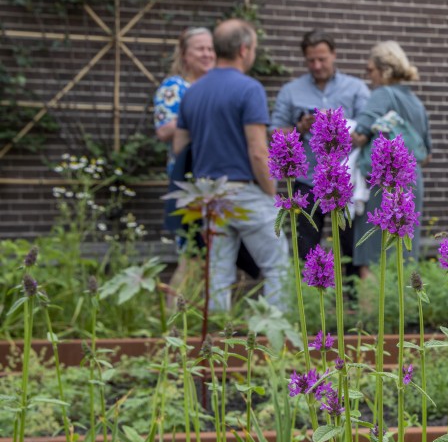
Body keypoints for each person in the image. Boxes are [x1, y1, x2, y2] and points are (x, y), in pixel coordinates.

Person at [174, 19, 287, 313]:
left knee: (219, 273)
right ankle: (277, 339)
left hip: (209, 196)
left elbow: (178, 147)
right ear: (243, 49)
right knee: (277, 267)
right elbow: (258, 151)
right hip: (245, 191)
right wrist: (273, 193)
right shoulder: (249, 89)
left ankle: (217, 341)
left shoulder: (193, 92)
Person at [270, 30, 370, 262]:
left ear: (334, 55)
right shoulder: (291, 91)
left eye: (322, 59)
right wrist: (301, 126)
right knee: (305, 245)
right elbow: (275, 132)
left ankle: (351, 297)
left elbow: (367, 132)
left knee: (352, 247)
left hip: (346, 181)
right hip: (307, 181)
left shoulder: (355, 88)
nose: (316, 65)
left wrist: (337, 127)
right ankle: (309, 294)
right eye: (311, 60)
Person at [353, 41, 432, 270]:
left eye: (370, 70)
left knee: (371, 252)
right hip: (411, 178)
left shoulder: (382, 94)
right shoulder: (416, 103)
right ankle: (402, 305)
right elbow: (426, 154)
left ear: (384, 69)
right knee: (405, 252)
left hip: (384, 180)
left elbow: (359, 134)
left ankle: (371, 306)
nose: (369, 77)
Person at [155, 28, 214, 289]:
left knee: (214, 256)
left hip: (214, 180)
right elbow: (164, 130)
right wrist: (196, 112)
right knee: (191, 254)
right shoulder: (174, 87)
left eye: (211, 48)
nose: (207, 54)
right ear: (184, 54)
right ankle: (177, 321)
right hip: (188, 179)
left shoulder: (216, 86)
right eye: (200, 49)